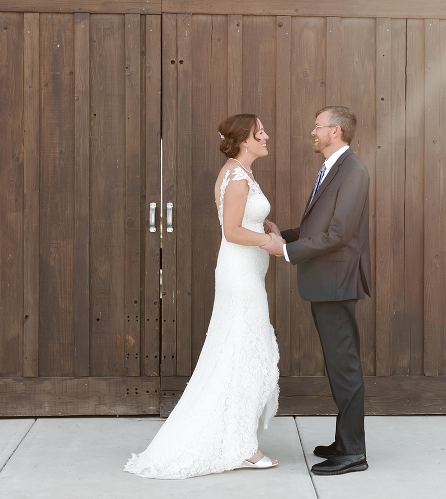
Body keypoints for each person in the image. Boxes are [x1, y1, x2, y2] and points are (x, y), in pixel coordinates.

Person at [125, 114, 281, 479]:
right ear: (246, 140)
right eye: (261, 133)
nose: (267, 136)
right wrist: (268, 242)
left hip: (244, 272)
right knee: (244, 351)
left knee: (238, 350)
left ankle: (240, 438)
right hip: (240, 276)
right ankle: (244, 447)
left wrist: (263, 225)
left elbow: (242, 221)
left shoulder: (237, 170)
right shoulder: (238, 176)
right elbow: (231, 231)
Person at [262, 106, 371, 476]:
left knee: (345, 366)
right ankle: (344, 441)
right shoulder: (332, 169)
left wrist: (287, 251)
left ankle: (354, 452)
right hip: (325, 283)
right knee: (338, 365)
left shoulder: (353, 171)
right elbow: (319, 226)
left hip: (337, 284)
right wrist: (285, 234)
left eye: (318, 127)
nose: (313, 132)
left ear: (336, 131)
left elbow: (339, 234)